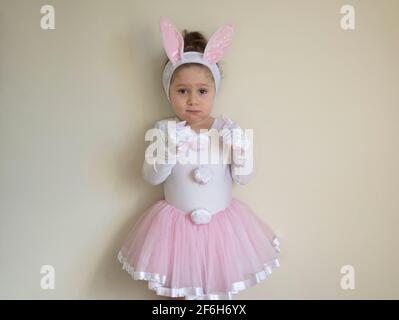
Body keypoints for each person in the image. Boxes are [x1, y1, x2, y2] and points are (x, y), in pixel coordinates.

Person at [117, 16, 280, 300]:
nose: (193, 100)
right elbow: (151, 176)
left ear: (215, 91)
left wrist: (239, 148)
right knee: (180, 291)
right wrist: (169, 148)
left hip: (223, 228)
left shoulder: (228, 130)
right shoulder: (163, 130)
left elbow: (243, 177)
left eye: (202, 91)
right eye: (182, 91)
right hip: (175, 229)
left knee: (219, 289)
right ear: (169, 92)